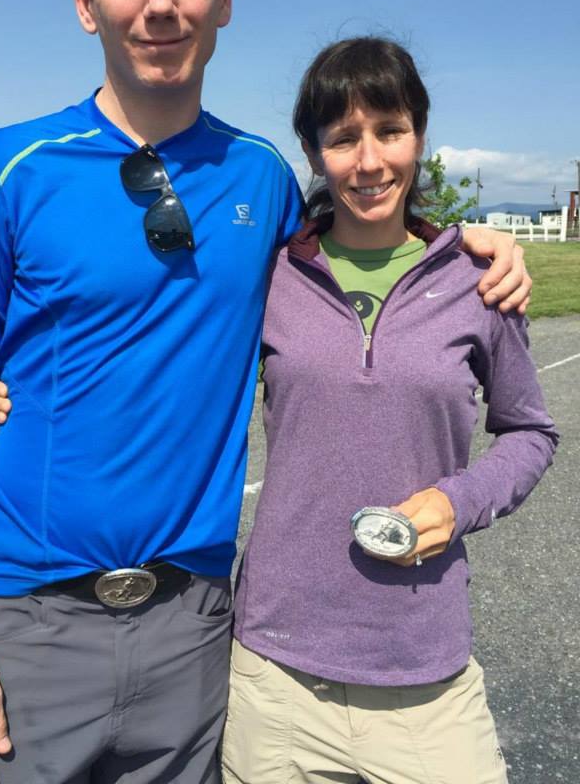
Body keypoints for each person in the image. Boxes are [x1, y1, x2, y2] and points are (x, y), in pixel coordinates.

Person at [0, 0, 530, 784]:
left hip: (197, 631)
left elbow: (360, 242)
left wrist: (472, 240)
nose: (160, 1)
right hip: (31, 623)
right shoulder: (8, 169)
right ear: (85, 1)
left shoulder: (263, 181)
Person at [221, 38, 558, 784]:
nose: (369, 161)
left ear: (420, 135)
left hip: (422, 677)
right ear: (313, 153)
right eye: (343, 138)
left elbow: (531, 431)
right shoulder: (270, 275)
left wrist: (458, 499)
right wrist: (9, 395)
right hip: (276, 676)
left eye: (389, 131)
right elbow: (171, 366)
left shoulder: (478, 281)